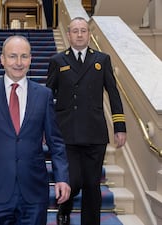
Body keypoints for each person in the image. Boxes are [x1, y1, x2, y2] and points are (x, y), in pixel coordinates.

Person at [0, 35, 71, 225]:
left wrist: (62, 178)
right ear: (2, 59)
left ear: (30, 59)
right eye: (12, 56)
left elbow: (56, 142)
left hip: (34, 190)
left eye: (24, 56)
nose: (18, 62)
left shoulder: (44, 95)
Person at [46, 17, 127, 225]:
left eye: (83, 30)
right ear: (69, 34)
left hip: (94, 132)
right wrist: (45, 128)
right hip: (67, 132)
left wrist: (119, 126)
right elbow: (46, 97)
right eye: (75, 31)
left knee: (92, 184)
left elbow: (113, 93)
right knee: (73, 180)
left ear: (89, 34)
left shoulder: (102, 59)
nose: (79, 34)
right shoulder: (58, 60)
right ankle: (64, 206)